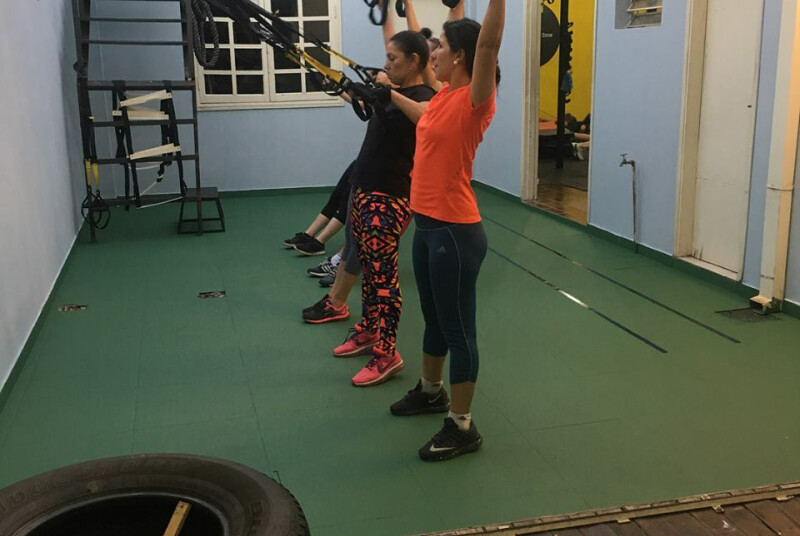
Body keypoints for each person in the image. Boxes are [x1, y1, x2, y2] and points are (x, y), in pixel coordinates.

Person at [387, 0, 505, 461]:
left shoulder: (475, 99)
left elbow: (488, 44)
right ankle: (431, 389)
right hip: (427, 226)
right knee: (433, 317)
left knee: (458, 329)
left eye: (438, 47)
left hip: (455, 232)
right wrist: (389, 95)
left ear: (459, 56)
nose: (430, 51)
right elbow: (424, 118)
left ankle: (462, 425)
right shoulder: (441, 98)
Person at [282, 162, 353, 256]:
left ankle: (319, 242)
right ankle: (308, 235)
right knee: (336, 196)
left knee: (346, 202)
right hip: (363, 161)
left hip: (371, 168)